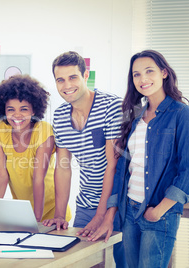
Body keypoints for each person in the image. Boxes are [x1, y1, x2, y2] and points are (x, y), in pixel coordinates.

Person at [89, 50, 189, 267]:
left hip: (159, 212)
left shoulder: (182, 114)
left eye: (149, 71)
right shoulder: (134, 114)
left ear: (164, 73)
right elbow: (122, 169)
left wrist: (158, 211)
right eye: (136, 74)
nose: (143, 79)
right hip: (129, 210)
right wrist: (112, 214)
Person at [42, 51, 126, 267]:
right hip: (86, 205)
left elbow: (113, 166)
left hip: (117, 205)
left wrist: (102, 214)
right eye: (60, 79)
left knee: (122, 263)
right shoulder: (60, 116)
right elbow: (63, 167)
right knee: (81, 262)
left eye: (73, 77)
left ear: (85, 75)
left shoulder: (111, 106)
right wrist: (60, 215)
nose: (66, 85)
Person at [0, 75, 72, 222]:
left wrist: (36, 220)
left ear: (34, 110)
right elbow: (0, 175)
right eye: (11, 109)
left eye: (24, 109)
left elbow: (38, 178)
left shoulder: (44, 131)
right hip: (25, 213)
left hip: (52, 212)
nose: (17, 115)